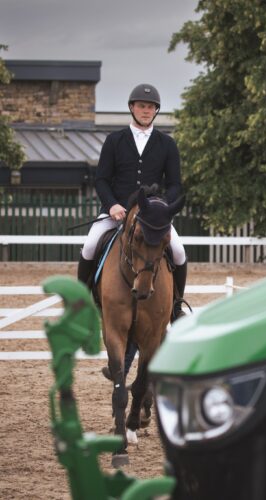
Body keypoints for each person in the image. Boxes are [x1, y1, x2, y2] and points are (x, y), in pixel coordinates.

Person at [77, 83, 188, 378]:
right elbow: (102, 179)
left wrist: (160, 206)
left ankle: (175, 309)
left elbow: (175, 183)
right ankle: (85, 302)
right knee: (90, 245)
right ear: (132, 108)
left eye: (150, 107)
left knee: (178, 250)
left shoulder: (167, 144)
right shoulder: (115, 140)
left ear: (156, 111)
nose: (146, 110)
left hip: (152, 217)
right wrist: (112, 205)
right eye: (141, 106)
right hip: (117, 214)